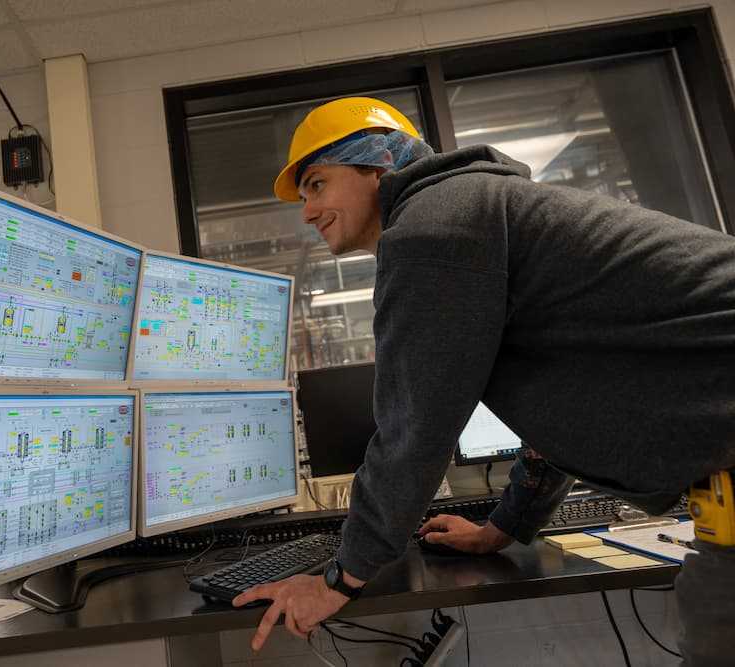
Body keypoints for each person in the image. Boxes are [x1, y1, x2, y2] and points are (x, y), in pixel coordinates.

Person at [231, 97, 735, 665]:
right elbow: (559, 405)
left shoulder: (433, 228)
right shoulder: (474, 212)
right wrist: (503, 527)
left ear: (376, 165)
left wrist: (337, 581)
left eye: (317, 184)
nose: (307, 212)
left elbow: (415, 427)